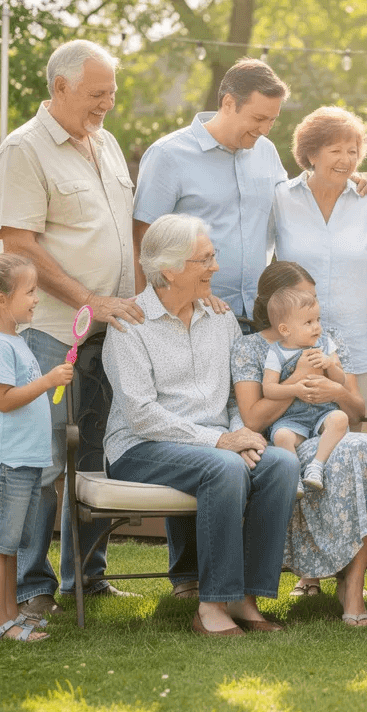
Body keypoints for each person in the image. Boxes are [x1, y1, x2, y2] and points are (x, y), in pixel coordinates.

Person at [0, 39, 138, 618]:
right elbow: (18, 249)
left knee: (95, 456)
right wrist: (89, 300)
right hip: (52, 332)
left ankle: (87, 577)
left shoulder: (107, 143)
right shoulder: (22, 151)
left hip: (109, 332)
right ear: (60, 87)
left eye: (112, 94)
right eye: (97, 94)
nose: (107, 105)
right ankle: (32, 587)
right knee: (42, 461)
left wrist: (122, 303)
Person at [103, 215, 298, 636]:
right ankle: (210, 607)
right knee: (224, 467)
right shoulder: (129, 325)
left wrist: (240, 435)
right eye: (204, 259)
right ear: (170, 269)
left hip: (214, 443)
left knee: (281, 464)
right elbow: (142, 414)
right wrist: (221, 440)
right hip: (142, 446)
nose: (215, 267)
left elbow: (232, 396)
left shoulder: (220, 318)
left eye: (213, 256)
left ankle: (245, 599)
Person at [232, 261, 367, 626]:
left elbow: (357, 410)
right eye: (306, 300)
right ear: (279, 306)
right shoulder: (250, 349)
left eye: (314, 300)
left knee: (362, 448)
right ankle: (344, 584)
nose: (315, 310)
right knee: (355, 452)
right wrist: (298, 380)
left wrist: (336, 389)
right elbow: (253, 417)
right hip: (285, 439)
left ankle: (353, 584)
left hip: (330, 432)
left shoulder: (326, 339)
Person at [133, 58, 367, 327]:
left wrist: (344, 174)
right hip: (192, 317)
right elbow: (143, 240)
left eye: (271, 120)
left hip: (257, 318)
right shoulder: (168, 155)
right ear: (228, 103)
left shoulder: (266, 152)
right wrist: (153, 315)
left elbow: (299, 197)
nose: (264, 130)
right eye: (258, 118)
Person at [0, 251, 73, 642]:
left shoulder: (13, 342)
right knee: (0, 545)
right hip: (8, 462)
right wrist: (49, 381)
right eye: (30, 291)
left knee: (10, 546)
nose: (36, 298)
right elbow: (5, 399)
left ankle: (11, 616)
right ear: (1, 300)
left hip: (21, 461)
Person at [271, 106, 367, 415]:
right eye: (335, 150)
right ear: (311, 154)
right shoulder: (281, 198)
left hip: (358, 340)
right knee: (298, 435)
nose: (346, 160)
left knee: (353, 436)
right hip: (295, 344)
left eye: (353, 151)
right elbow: (264, 266)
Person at [260, 286, 350, 493]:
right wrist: (294, 389)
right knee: (281, 436)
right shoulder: (276, 352)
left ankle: (316, 466)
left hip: (322, 412)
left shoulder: (326, 344)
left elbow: (341, 380)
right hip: (292, 419)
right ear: (285, 330)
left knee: (340, 419)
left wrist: (330, 364)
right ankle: (294, 477)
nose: (316, 327)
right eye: (308, 323)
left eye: (317, 320)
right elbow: (269, 390)